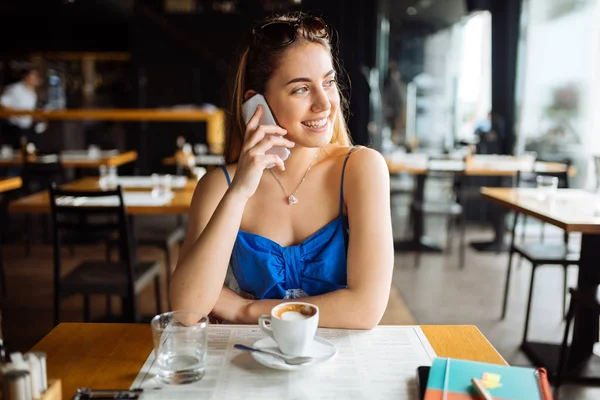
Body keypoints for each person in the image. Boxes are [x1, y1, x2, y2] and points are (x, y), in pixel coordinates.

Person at [170, 12, 394, 329]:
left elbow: (365, 310)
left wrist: (245, 310)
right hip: (250, 363)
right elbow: (188, 311)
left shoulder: (361, 169)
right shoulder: (220, 185)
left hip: (341, 368)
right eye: (301, 89)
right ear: (257, 105)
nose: (325, 104)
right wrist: (240, 192)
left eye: (328, 83)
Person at [0, 67, 43, 149]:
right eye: (34, 76)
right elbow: (2, 104)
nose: (36, 78)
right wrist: (17, 113)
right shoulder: (15, 89)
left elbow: (30, 111)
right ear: (26, 76)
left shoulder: (32, 93)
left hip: (27, 128)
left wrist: (37, 118)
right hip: (13, 128)